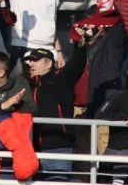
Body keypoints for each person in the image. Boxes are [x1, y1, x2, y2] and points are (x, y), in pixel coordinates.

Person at [25, 40, 88, 182]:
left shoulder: (62, 78)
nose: (31, 64)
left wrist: (80, 44)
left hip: (59, 146)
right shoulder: (29, 84)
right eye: (30, 61)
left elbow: (77, 63)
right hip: (33, 148)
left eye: (35, 60)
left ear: (48, 64)